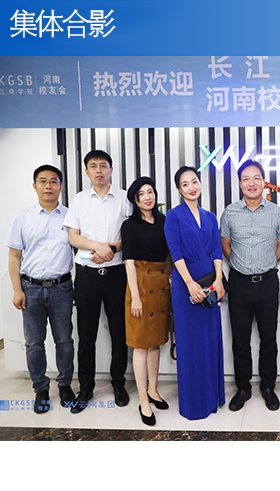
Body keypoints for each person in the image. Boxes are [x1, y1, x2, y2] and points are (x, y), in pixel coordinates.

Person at [64, 150, 132, 413]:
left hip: (117, 275)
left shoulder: (124, 198)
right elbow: (73, 237)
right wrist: (98, 247)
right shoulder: (79, 200)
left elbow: (131, 233)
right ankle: (86, 387)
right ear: (86, 172)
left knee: (119, 334)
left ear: (111, 169)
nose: (99, 170)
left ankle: (118, 384)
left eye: (103, 165)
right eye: (93, 166)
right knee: (86, 335)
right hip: (87, 276)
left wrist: (111, 249)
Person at [5, 165, 75, 414]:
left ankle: (65, 385)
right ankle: (41, 389)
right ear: (34, 186)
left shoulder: (70, 217)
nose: (48, 186)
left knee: (64, 341)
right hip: (31, 288)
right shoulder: (22, 217)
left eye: (53, 181)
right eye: (43, 181)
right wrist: (17, 290)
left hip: (62, 287)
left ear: (61, 187)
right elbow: (14, 256)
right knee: (34, 343)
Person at [220, 159, 280, 412]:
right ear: (240, 183)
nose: (252, 183)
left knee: (268, 338)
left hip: (267, 282)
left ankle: (268, 387)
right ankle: (243, 388)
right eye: (246, 178)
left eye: (256, 178)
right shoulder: (230, 212)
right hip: (239, 283)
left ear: (263, 182)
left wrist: (264, 263)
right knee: (240, 339)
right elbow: (225, 246)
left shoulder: (275, 212)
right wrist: (243, 266)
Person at [164, 166, 225, 420]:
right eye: (185, 184)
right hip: (185, 287)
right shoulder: (173, 216)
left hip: (210, 284)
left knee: (209, 341)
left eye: (195, 181)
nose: (192, 187)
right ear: (179, 190)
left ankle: (211, 397)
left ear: (200, 184)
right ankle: (193, 403)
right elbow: (175, 251)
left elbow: (217, 250)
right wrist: (189, 283)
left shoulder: (210, 217)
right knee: (190, 345)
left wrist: (219, 280)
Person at [122, 177, 171, 426]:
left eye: (150, 192)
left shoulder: (164, 221)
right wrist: (135, 298)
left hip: (161, 285)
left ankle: (153, 390)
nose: (147, 197)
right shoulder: (129, 225)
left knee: (155, 343)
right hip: (139, 285)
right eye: (141, 194)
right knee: (140, 344)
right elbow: (129, 263)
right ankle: (143, 398)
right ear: (135, 199)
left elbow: (170, 254)